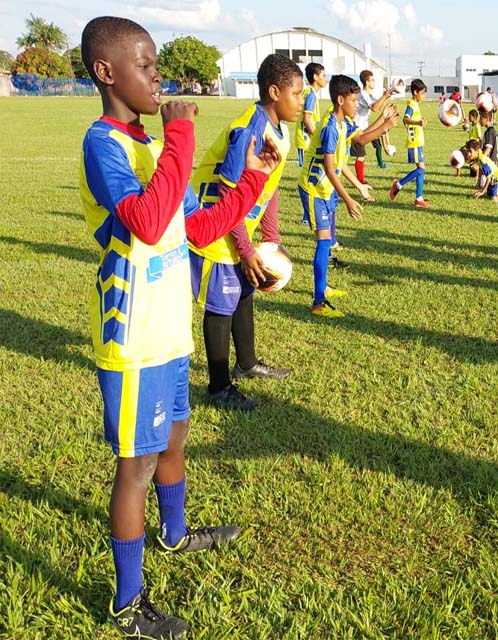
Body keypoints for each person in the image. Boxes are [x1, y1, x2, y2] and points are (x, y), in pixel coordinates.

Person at [79, 15, 282, 638]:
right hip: (133, 335)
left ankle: (173, 535)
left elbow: (195, 227)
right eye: (143, 64)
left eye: (157, 62)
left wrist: (251, 177)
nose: (156, 74)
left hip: (169, 325)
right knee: (135, 464)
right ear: (105, 72)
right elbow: (144, 219)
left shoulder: (151, 145)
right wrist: (182, 138)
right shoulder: (105, 144)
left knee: (175, 440)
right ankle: (126, 603)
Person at [189, 54, 303, 411]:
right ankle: (219, 387)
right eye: (297, 94)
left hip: (240, 224)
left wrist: (270, 240)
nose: (301, 102)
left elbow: (268, 188)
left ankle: (247, 363)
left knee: (244, 290)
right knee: (221, 302)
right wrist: (244, 249)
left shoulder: (279, 129)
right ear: (274, 92)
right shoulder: (249, 130)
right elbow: (228, 191)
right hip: (217, 223)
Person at [301, 74, 399, 317]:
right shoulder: (330, 128)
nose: (358, 105)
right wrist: (348, 198)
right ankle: (318, 302)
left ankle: (322, 288)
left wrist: (384, 123)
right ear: (340, 99)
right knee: (324, 242)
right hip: (314, 189)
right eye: (354, 101)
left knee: (326, 241)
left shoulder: (343, 122)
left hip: (326, 188)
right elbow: (328, 165)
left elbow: (362, 139)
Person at [389, 78, 430, 208]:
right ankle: (399, 184)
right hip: (414, 142)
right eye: (422, 93)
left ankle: (419, 198)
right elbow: (405, 120)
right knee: (421, 169)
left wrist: (420, 123)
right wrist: (418, 123)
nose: (423, 96)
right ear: (415, 92)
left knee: (421, 170)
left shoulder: (415, 104)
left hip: (418, 142)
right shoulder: (411, 105)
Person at [352, 69, 397, 181]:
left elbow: (380, 107)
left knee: (365, 153)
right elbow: (374, 108)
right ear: (367, 82)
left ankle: (362, 178)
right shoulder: (363, 95)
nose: (374, 82)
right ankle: (361, 181)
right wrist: (384, 96)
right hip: (356, 129)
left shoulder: (368, 95)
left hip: (365, 129)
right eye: (372, 80)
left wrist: (387, 96)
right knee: (360, 156)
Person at [296, 62, 326, 167]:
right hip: (306, 140)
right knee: (305, 170)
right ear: (315, 77)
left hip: (307, 139)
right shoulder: (311, 94)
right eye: (324, 75)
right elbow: (307, 119)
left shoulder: (309, 92)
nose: (326, 79)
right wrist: (316, 137)